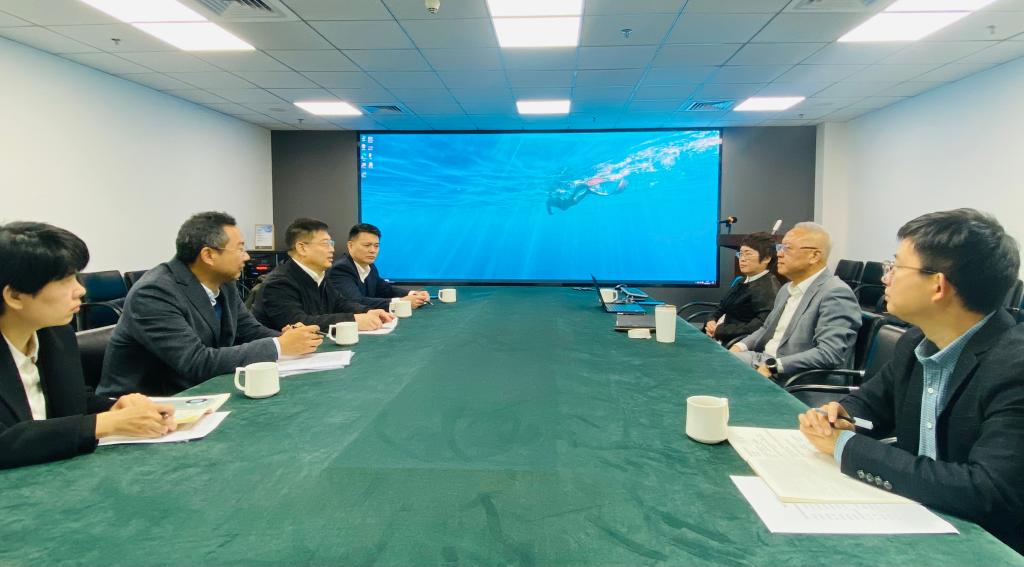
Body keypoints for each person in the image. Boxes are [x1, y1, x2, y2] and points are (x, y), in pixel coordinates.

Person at [799, 208, 1024, 553]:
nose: (885, 278)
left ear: (938, 285)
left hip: (986, 546)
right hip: (914, 518)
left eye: (895, 266)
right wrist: (840, 414)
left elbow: (986, 490)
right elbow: (871, 403)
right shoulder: (915, 341)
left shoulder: (1014, 365)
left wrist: (846, 446)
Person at [0, 222, 176, 469]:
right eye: (65, 280)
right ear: (15, 296)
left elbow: (73, 402)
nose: (80, 290)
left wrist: (114, 407)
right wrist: (104, 424)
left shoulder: (56, 334)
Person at [98, 212, 322, 397]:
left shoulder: (224, 283)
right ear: (208, 255)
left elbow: (249, 330)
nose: (246, 257)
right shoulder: (154, 293)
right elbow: (196, 362)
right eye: (240, 249)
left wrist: (290, 338)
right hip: (147, 406)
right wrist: (279, 345)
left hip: (201, 393)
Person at [729, 222, 860, 381]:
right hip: (763, 361)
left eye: (787, 248)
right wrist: (739, 346)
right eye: (780, 247)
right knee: (715, 362)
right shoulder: (786, 289)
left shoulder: (835, 293)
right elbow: (766, 328)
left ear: (814, 256)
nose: (779, 254)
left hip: (796, 377)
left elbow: (829, 353)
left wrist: (774, 366)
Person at [252, 218, 393, 331]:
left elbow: (340, 303)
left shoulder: (320, 276)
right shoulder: (279, 283)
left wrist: (368, 311)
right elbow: (299, 322)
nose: (332, 250)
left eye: (331, 243)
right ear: (302, 248)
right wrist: (354, 320)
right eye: (325, 244)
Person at [327, 223, 429, 310]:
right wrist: (400, 302)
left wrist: (414, 294)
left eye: (376, 246)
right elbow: (355, 302)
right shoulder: (341, 269)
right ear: (350, 245)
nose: (373, 250)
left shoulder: (370, 266)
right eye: (367, 245)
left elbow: (385, 290)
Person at [704, 232, 781, 344]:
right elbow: (721, 307)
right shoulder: (742, 280)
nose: (742, 259)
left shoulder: (769, 288)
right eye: (740, 254)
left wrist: (719, 330)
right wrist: (711, 320)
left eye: (748, 254)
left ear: (766, 258)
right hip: (717, 336)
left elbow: (760, 326)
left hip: (735, 344)